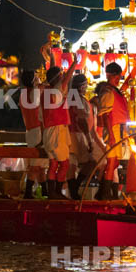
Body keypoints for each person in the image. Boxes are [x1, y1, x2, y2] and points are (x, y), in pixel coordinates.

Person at [95, 60, 136, 200]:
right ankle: (105, 193)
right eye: (118, 77)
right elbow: (106, 115)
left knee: (116, 162)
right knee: (112, 161)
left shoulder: (115, 90)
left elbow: (125, 86)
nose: (120, 80)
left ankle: (102, 190)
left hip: (119, 129)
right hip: (113, 128)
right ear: (112, 76)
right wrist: (111, 135)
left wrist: (135, 70)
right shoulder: (107, 92)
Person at [42, 60, 77, 199]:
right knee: (65, 164)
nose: (64, 77)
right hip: (57, 132)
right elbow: (66, 79)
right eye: (61, 75)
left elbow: (40, 118)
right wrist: (74, 63)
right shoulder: (58, 90)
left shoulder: (44, 93)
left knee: (53, 164)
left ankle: (52, 193)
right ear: (57, 78)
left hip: (48, 132)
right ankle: (56, 192)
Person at [68, 73, 106, 199]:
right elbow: (81, 120)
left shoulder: (69, 97)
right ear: (82, 86)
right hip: (78, 134)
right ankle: (75, 189)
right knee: (90, 163)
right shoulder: (78, 99)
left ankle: (73, 190)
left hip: (69, 133)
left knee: (72, 164)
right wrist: (89, 139)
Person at [18, 70, 46, 198]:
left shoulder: (23, 94)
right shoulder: (34, 92)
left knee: (39, 165)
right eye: (36, 77)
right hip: (37, 131)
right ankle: (28, 192)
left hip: (29, 131)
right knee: (36, 164)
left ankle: (45, 191)